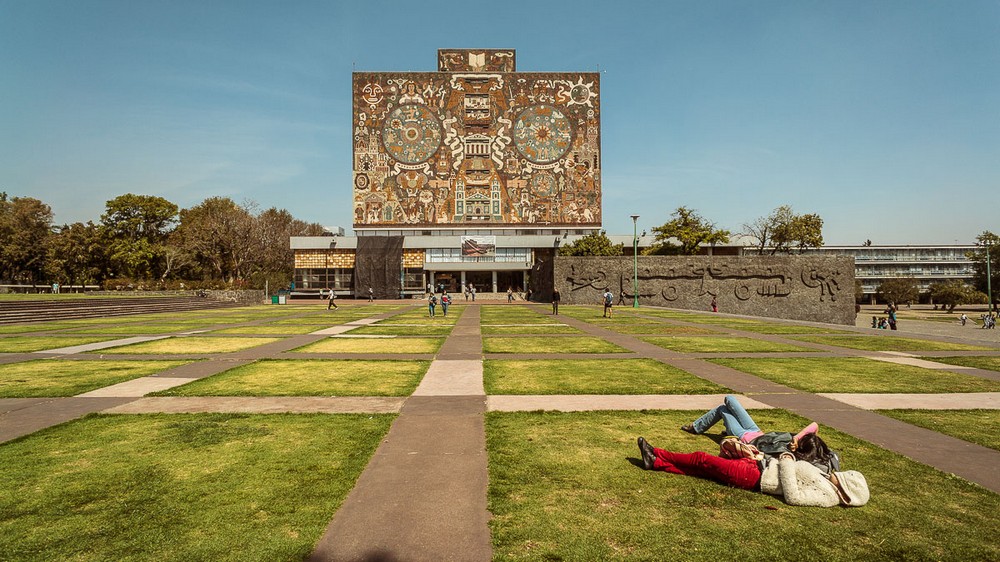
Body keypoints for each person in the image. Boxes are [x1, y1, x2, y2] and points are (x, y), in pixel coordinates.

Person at [635, 437, 869, 508]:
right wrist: (762, 457)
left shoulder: (827, 497)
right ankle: (655, 463)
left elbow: (794, 496)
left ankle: (657, 452)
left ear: (848, 488)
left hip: (755, 478)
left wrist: (786, 460)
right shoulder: (826, 481)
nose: (842, 473)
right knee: (702, 470)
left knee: (702, 459)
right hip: (759, 467)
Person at [681, 395, 821, 459]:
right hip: (756, 431)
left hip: (744, 438)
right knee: (729, 399)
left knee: (722, 409)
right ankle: (699, 426)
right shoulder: (798, 441)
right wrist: (796, 438)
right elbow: (814, 425)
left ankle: (696, 427)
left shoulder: (788, 457)